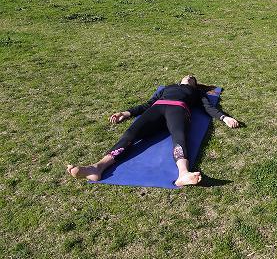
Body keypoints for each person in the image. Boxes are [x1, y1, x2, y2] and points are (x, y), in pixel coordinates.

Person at [67, 75, 240, 187]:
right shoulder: (167, 89)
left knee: (179, 138)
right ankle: (97, 168)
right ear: (180, 79)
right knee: (130, 135)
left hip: (178, 110)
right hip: (156, 109)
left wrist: (224, 118)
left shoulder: (196, 93)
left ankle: (183, 174)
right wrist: (126, 113)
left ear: (195, 84)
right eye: (187, 75)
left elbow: (207, 107)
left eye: (192, 77)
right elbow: (147, 104)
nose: (189, 76)